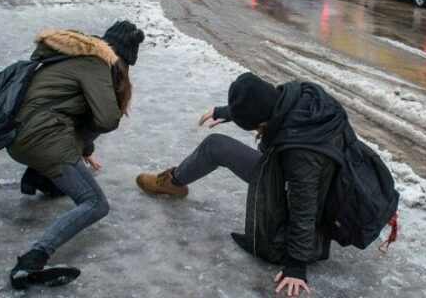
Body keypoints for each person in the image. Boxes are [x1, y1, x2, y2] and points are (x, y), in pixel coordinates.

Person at [137, 72, 351, 297]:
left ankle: (173, 182)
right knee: (219, 146)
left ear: (261, 121)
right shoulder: (304, 97)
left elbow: (304, 208)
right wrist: (232, 112)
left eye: (255, 127)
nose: (256, 132)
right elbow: (267, 104)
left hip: (305, 202)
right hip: (306, 182)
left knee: (214, 145)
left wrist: (296, 265)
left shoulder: (300, 154)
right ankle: (174, 182)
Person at [6, 21, 145, 289]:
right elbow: (106, 119)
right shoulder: (97, 64)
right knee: (95, 203)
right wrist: (82, 143)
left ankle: (37, 177)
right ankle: (32, 260)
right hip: (43, 140)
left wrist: (85, 148)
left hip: (21, 135)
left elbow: (68, 104)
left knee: (80, 125)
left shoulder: (80, 55)